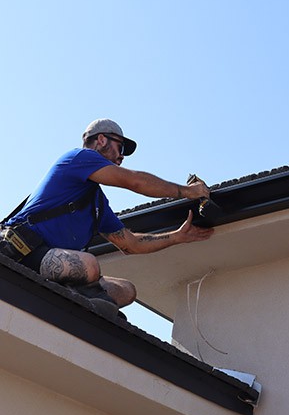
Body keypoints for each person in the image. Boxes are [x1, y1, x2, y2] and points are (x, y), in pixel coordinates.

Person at [0, 118, 214, 317]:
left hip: (60, 266)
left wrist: (177, 236)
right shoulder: (79, 158)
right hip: (23, 251)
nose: (122, 156)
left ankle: (78, 300)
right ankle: (82, 302)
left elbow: (131, 244)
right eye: (120, 147)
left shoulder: (96, 204)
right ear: (101, 140)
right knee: (89, 265)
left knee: (125, 290)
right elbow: (135, 181)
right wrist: (187, 191)